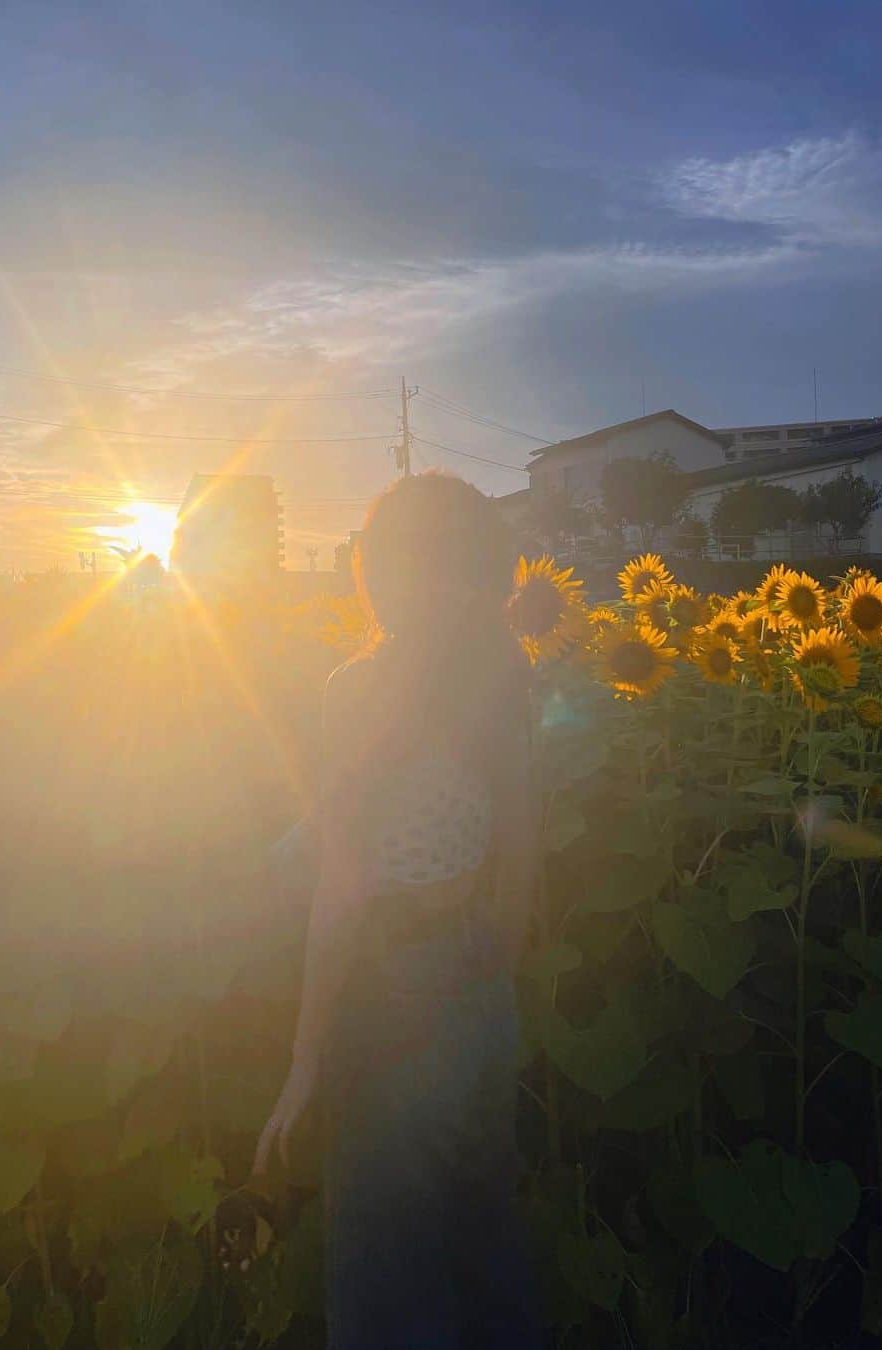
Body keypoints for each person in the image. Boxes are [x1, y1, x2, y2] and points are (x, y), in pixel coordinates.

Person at [253, 470, 546, 1348]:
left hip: (391, 1000)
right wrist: (485, 968)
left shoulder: (362, 687)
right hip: (480, 993)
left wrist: (306, 1056)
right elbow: (521, 852)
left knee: (387, 1285)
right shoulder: (504, 678)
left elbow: (342, 888)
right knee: (482, 1247)